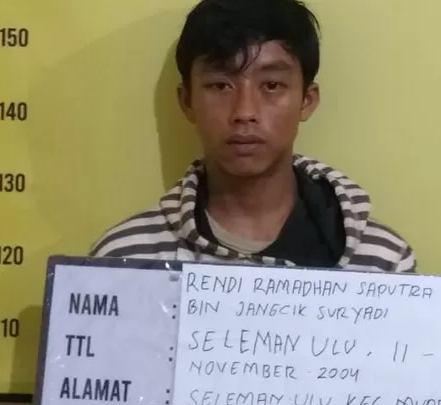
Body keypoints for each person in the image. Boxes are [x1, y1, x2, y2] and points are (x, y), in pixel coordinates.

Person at [89, 0, 416, 273]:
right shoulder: (124, 261)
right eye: (220, 85)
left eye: (271, 85)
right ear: (187, 101)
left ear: (307, 100)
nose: (245, 111)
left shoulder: (383, 263)